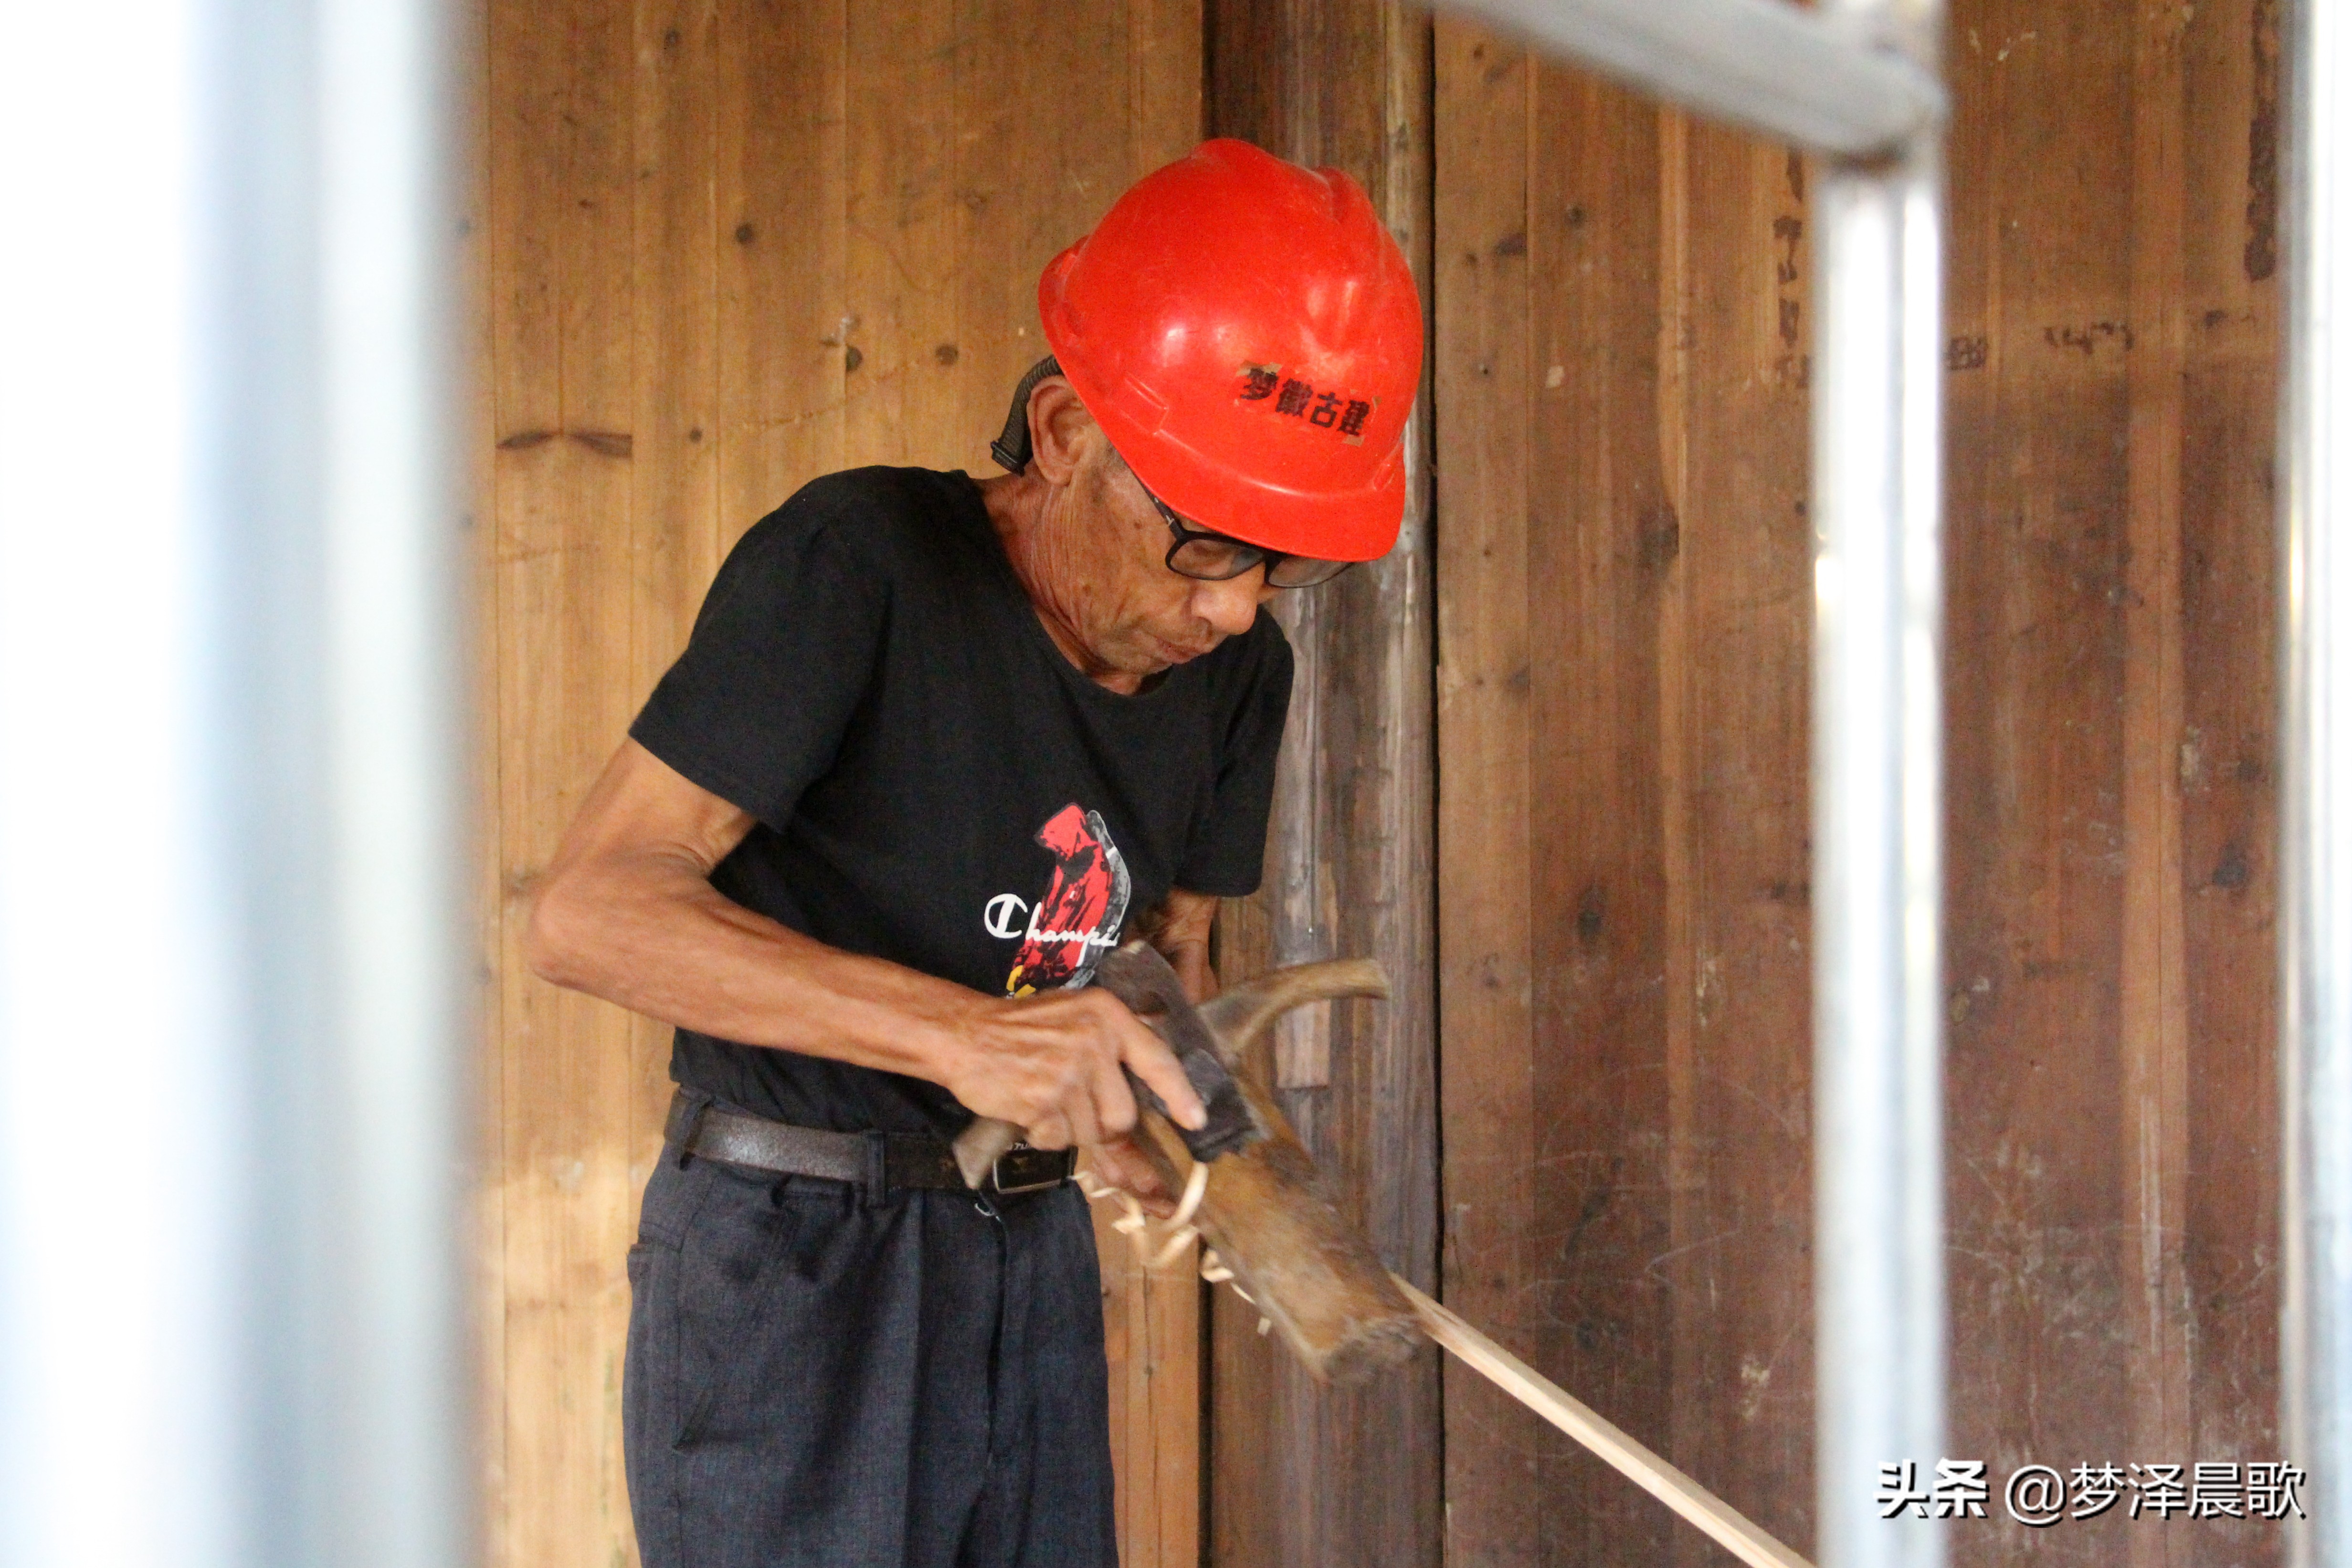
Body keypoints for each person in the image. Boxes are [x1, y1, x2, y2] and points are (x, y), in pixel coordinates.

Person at [525, 137, 1422, 1568]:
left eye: (1287, 560)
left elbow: (1161, 966)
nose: (1237, 608)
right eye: (1207, 543)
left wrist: (1202, 1150)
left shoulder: (1240, 673)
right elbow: (589, 913)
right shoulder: (864, 562)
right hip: (792, 1260)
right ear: (1065, 432)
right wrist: (968, 1038)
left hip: (1022, 1253)